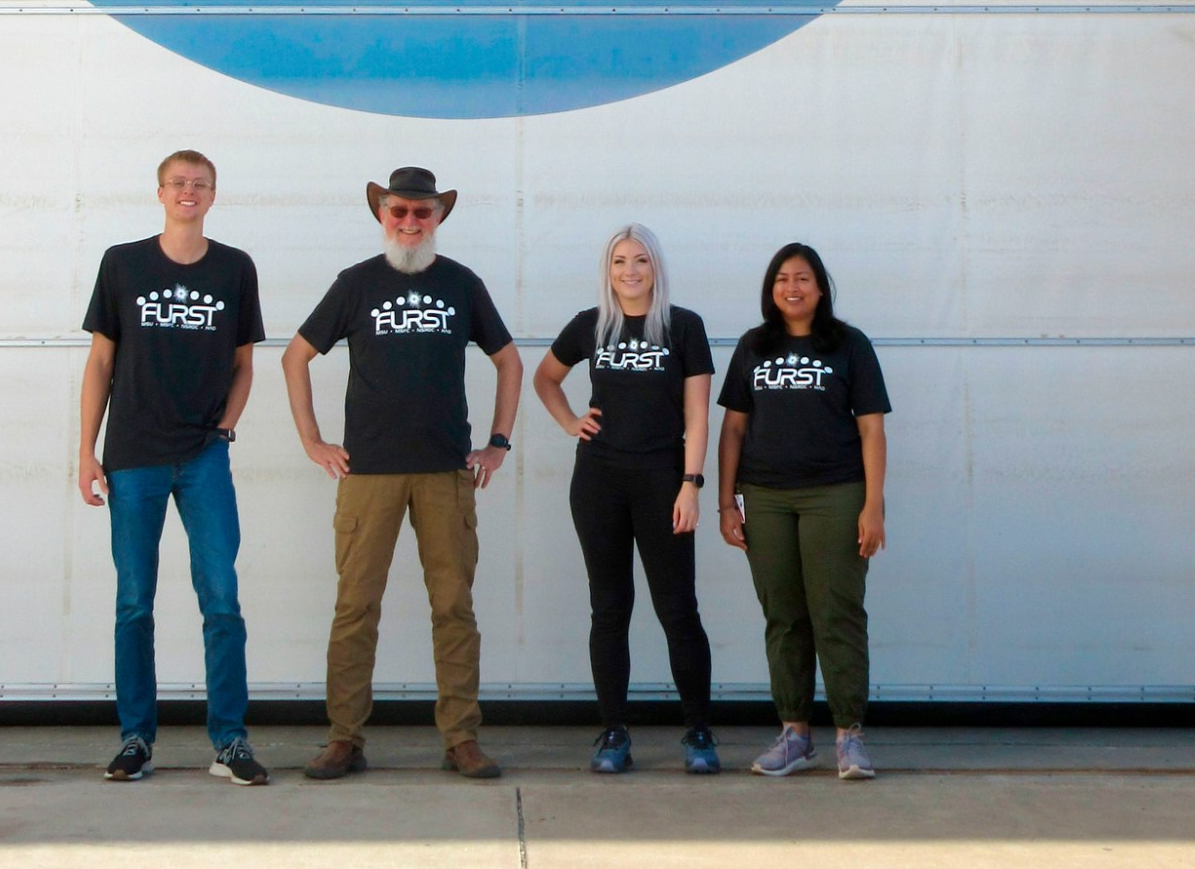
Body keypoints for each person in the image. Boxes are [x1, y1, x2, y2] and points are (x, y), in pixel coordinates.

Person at [282, 166, 522, 782]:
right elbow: (296, 356)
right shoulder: (356, 283)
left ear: (438, 217)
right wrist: (312, 441)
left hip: (446, 471)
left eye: (423, 213)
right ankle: (344, 739)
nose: (411, 223)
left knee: (453, 607)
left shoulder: (461, 284)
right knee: (356, 607)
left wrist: (497, 443)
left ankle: (461, 739)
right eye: (400, 212)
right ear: (382, 215)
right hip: (368, 474)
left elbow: (509, 361)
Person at [78, 149, 269, 786]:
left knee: (221, 599)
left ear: (213, 194)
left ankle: (230, 743)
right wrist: (87, 451)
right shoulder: (122, 263)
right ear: (160, 192)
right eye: (179, 183)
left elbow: (245, 363)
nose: (189, 192)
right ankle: (136, 739)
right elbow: (101, 363)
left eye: (201, 184)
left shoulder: (235, 268)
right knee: (134, 602)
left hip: (203, 457)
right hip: (133, 456)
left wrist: (223, 430)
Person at [534, 224, 719, 776]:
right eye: (619, 261)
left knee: (677, 609)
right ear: (607, 270)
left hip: (664, 480)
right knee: (609, 608)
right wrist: (570, 420)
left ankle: (699, 731)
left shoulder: (684, 327)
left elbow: (697, 414)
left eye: (640, 260)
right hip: (599, 481)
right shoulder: (589, 326)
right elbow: (546, 379)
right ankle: (613, 730)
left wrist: (692, 483)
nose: (630, 271)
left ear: (655, 267)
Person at [717, 243, 889, 782]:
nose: (793, 287)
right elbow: (734, 429)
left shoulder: (849, 344)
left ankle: (849, 736)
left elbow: (871, 428)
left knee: (836, 612)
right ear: (772, 290)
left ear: (820, 288)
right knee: (784, 617)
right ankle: (795, 734)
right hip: (765, 497)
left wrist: (873, 504)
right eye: (782, 279)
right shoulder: (753, 346)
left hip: (835, 494)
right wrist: (726, 501)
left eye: (804, 278)